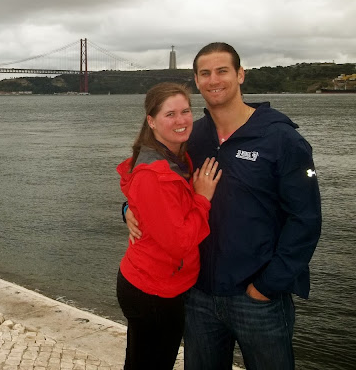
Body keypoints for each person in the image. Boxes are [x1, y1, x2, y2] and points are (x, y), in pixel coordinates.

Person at [125, 43, 322, 369]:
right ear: (197, 81)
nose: (214, 80)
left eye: (222, 71)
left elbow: (306, 219)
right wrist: (128, 209)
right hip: (198, 295)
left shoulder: (283, 140)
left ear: (240, 75)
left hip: (258, 299)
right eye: (205, 73)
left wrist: (267, 286)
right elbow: (151, 181)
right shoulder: (190, 136)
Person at [117, 82, 221, 369]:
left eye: (185, 111)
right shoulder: (156, 172)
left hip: (155, 281)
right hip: (153, 290)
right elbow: (179, 243)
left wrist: (128, 208)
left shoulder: (174, 156)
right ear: (151, 121)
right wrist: (202, 199)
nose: (181, 120)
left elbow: (140, 198)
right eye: (170, 114)